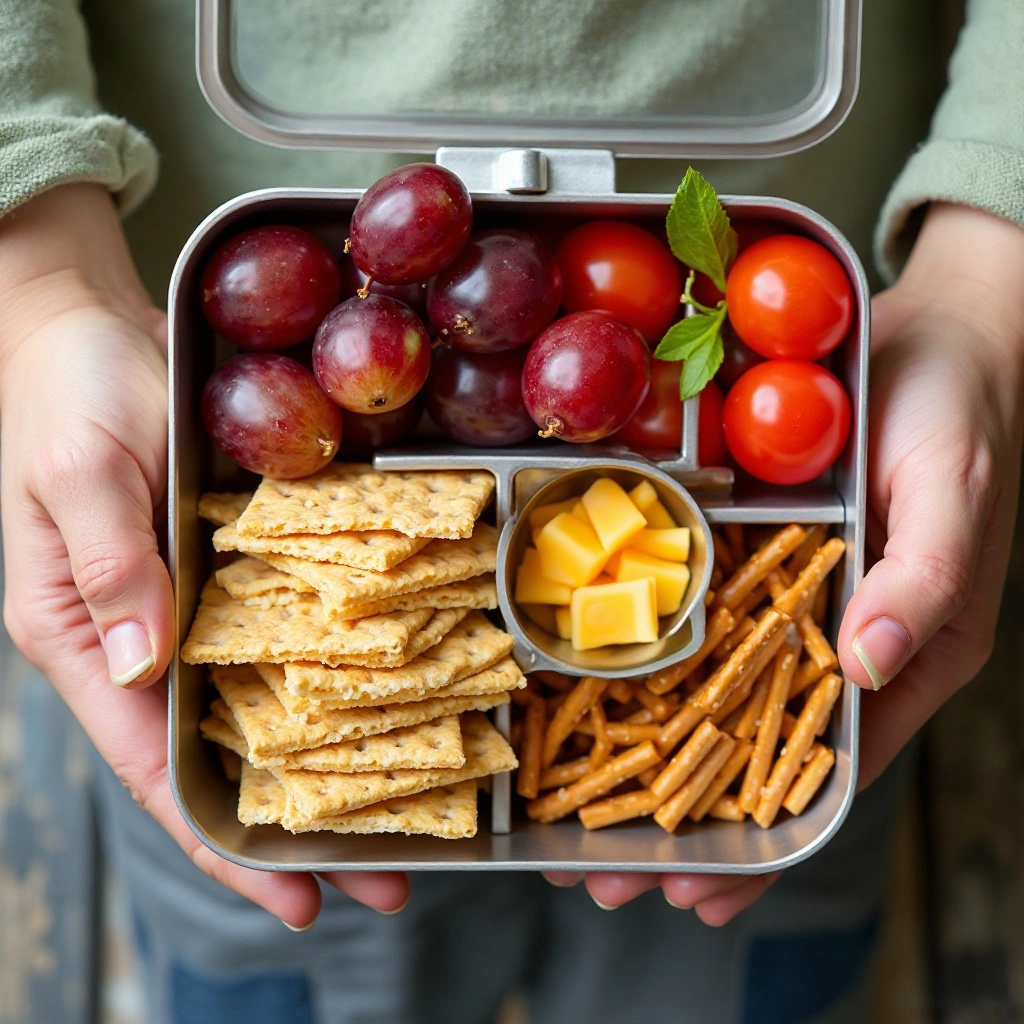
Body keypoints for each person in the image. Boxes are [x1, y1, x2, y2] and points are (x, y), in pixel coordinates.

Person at [1, 1, 1021, 1021]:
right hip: (212, 264)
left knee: (728, 979)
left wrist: (985, 274)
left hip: (800, 271)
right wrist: (40, 274)